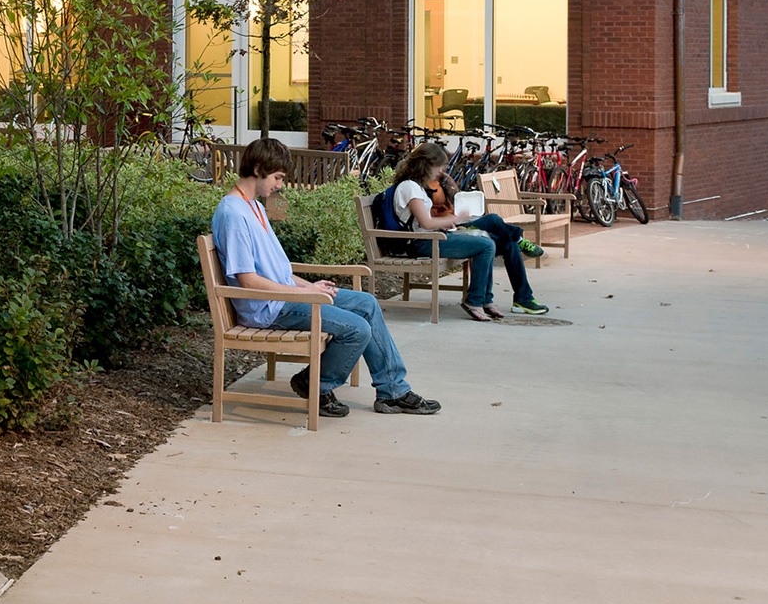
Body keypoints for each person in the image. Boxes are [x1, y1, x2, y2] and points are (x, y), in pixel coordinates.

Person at [210, 137, 440, 419]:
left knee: (367, 303)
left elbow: (276, 270)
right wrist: (305, 295)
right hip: (267, 309)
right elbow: (247, 280)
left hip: (283, 298)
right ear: (258, 169)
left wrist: (311, 286)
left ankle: (393, 391)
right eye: (278, 177)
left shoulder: (254, 206)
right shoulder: (233, 213)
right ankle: (314, 383)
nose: (280, 185)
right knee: (357, 329)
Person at [390, 141, 549, 321]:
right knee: (486, 245)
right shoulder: (409, 187)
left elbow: (425, 221)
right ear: (426, 165)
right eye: (439, 166)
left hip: (436, 236)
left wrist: (449, 222)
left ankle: (515, 296)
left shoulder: (417, 186)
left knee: (505, 240)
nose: (441, 170)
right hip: (423, 243)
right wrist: (454, 219)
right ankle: (475, 300)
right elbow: (425, 223)